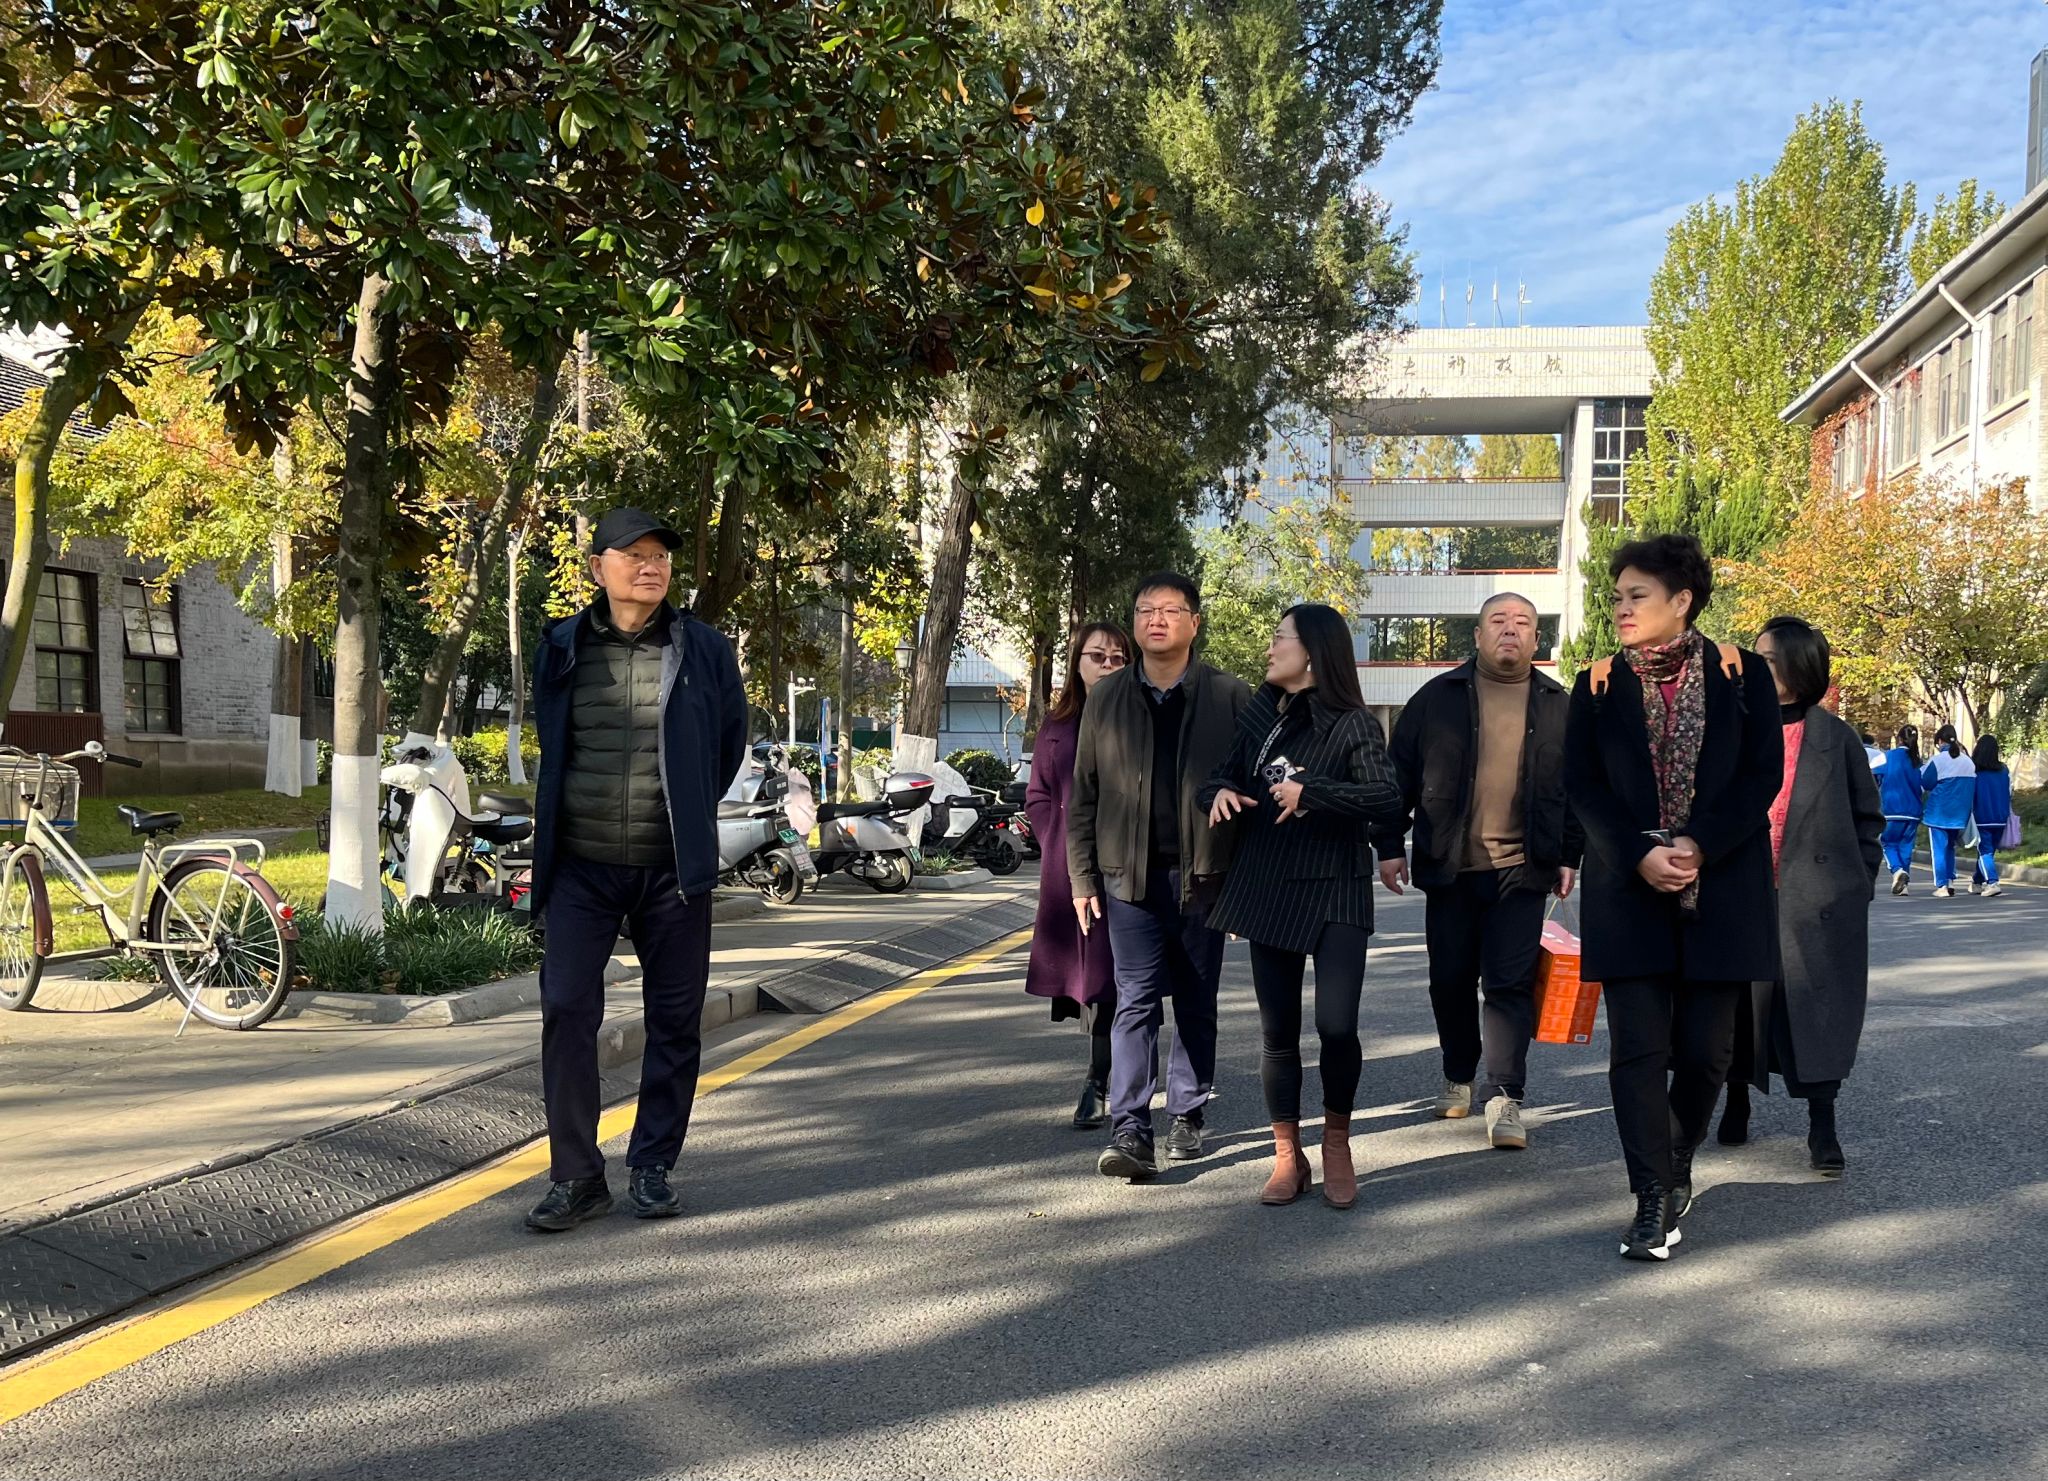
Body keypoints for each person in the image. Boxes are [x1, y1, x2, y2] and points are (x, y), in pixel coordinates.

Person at [524, 508, 748, 1233]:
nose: (651, 566)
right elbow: (553, 739)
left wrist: (686, 808)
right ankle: (576, 1175)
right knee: (566, 1009)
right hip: (580, 866)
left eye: (661, 556)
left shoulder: (704, 648)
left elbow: (727, 743)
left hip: (670, 868)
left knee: (675, 1018)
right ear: (598, 567)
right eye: (635, 554)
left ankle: (652, 1165)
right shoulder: (561, 645)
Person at [1564, 533, 1781, 1262]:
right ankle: (1652, 1197)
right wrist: (1639, 853)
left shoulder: (1742, 673)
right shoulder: (1597, 684)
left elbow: (1761, 775)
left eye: (1638, 596)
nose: (1621, 609)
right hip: (1628, 889)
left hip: (1721, 884)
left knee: (1707, 1051)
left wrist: (1699, 845)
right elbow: (1582, 784)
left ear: (1682, 600)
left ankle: (1678, 1155)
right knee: (1637, 1049)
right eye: (1617, 597)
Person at [1198, 604, 1404, 1209]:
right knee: (1277, 1030)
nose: (1270, 649)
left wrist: (1313, 791)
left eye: (1279, 638)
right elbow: (1217, 776)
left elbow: (1386, 796)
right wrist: (1219, 793)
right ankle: (1288, 1155)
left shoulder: (1355, 723)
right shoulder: (1261, 712)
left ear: (1312, 651)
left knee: (1337, 1026)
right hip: (1268, 884)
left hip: (1337, 884)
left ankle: (1337, 1144)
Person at [1374, 593, 1582, 1152]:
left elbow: (1577, 790)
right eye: (1498, 620)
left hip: (1524, 867)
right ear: (1478, 635)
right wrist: (1389, 844)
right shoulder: (1436, 698)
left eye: (1523, 622)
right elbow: (1398, 777)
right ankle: (1457, 1071)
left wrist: (1570, 855)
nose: (1510, 629)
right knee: (1451, 979)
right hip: (1452, 865)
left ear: (1536, 639)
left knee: (1510, 985)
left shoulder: (1558, 705)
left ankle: (1505, 1095)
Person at [1068, 572, 1251, 1181]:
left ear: (1194, 623)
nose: (1157, 619)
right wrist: (1082, 879)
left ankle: (1188, 1112)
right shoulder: (1108, 698)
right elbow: (1083, 796)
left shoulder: (1230, 696)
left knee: (1197, 1000)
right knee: (1136, 1001)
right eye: (1146, 609)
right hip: (1129, 880)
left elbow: (1253, 786)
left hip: (1205, 876)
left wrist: (1245, 882)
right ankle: (1130, 1128)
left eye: (1171, 610)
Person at [1718, 617, 1882, 1174]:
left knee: (1816, 1011)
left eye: (1768, 659)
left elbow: (1867, 820)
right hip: (1742, 892)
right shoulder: (1734, 727)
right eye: (1755, 657)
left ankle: (1822, 1124)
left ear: (1799, 666)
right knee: (1737, 1006)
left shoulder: (1837, 738)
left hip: (1818, 901)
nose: (1756, 668)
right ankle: (1734, 1097)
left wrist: (1856, 886)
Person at [1023, 622, 1131, 1126]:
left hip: (1128, 863)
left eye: (1117, 658)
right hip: (1070, 868)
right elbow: (1038, 795)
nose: (1107, 666)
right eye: (1097, 656)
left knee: (1118, 976)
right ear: (1077, 664)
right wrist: (1055, 839)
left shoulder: (1139, 715)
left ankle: (1106, 1078)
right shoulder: (1058, 723)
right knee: (1091, 977)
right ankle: (1101, 1076)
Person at [1920, 725, 1976, 899]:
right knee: (1950, 847)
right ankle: (1950, 880)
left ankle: (1942, 885)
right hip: (1960, 813)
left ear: (1939, 741)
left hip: (1939, 812)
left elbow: (1926, 782)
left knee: (1939, 849)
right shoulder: (1968, 761)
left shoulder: (1938, 760)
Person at [1877, 725, 1925, 895]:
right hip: (1913, 811)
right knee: (1906, 847)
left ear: (1899, 739)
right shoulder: (1918, 762)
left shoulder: (1887, 757)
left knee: (1888, 843)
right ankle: (1903, 885)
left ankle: (1897, 871)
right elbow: (1924, 784)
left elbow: (1873, 775)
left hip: (1892, 809)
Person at [1969, 735, 2012, 898]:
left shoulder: (1974, 770)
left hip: (1982, 817)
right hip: (2000, 817)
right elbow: (2009, 792)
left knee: (1984, 851)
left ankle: (1992, 882)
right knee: (1988, 851)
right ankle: (1977, 881)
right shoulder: (2003, 770)